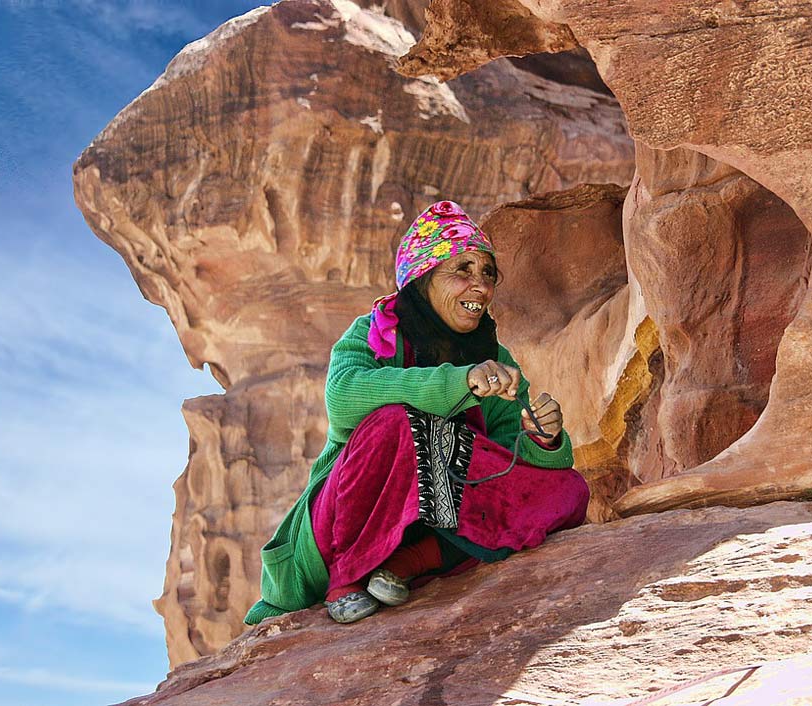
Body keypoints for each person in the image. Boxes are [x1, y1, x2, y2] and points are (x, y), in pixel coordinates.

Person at [244, 200, 589, 625]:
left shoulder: (493, 355)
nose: (480, 286)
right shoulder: (372, 334)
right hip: (344, 519)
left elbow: (507, 455)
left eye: (487, 273)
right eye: (462, 270)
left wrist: (542, 437)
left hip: (436, 520)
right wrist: (458, 383)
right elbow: (344, 398)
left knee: (568, 490)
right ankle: (349, 575)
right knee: (394, 423)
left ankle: (411, 561)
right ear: (423, 278)